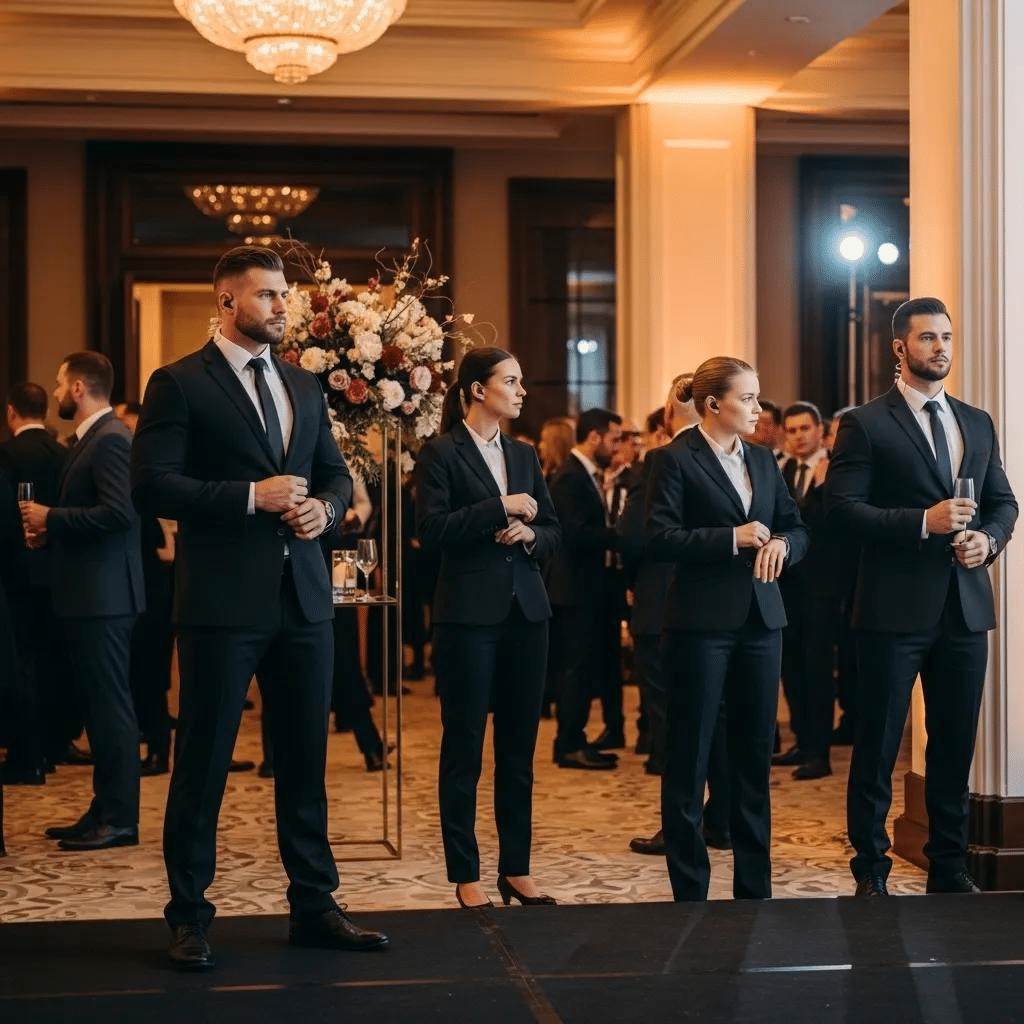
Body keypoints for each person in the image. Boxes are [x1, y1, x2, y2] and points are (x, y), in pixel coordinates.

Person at [131, 245, 388, 970]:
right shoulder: (179, 383)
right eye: (269, 295)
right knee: (204, 761)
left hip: (304, 596)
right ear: (228, 302)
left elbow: (333, 476)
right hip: (221, 602)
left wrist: (324, 511)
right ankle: (188, 916)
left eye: (285, 295)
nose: (283, 306)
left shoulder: (304, 385)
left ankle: (314, 905)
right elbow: (152, 487)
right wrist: (251, 497)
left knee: (306, 759)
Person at [826, 296, 1017, 898]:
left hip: (964, 606)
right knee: (879, 746)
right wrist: (921, 522)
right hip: (892, 608)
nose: (942, 348)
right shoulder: (866, 422)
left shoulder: (976, 421)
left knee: (955, 744)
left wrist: (986, 541)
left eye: (948, 338)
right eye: (929, 338)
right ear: (900, 348)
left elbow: (1004, 504)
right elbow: (841, 511)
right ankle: (872, 872)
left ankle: (949, 868)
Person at [646, 356, 809, 901]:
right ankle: (690, 890)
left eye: (758, 398)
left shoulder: (764, 461)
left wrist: (784, 544)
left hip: (763, 621)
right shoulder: (672, 459)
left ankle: (754, 889)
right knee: (689, 756)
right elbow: (659, 538)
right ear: (713, 403)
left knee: (753, 756)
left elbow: (796, 526)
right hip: (700, 624)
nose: (759, 410)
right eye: (748, 399)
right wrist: (729, 538)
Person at [416, 346, 561, 910]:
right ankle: (466, 873)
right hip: (467, 617)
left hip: (528, 612)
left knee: (520, 750)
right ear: (478, 389)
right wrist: (498, 509)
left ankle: (516, 869)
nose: (522, 391)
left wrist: (531, 535)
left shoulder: (524, 454)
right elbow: (430, 529)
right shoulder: (439, 453)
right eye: (512, 380)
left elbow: (552, 529)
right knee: (465, 747)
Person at [20, 353, 145, 852]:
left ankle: (119, 819)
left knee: (110, 708)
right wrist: (50, 532)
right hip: (92, 593)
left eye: (57, 385)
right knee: (99, 705)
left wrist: (52, 519)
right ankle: (103, 809)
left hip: (106, 596)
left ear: (77, 388)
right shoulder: (93, 438)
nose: (53, 395)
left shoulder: (112, 439)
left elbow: (119, 514)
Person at [546, 408, 625, 768]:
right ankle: (569, 745)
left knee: (583, 667)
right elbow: (574, 534)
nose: (618, 446)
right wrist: (620, 535)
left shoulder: (586, 475)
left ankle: (575, 740)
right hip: (575, 591)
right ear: (594, 438)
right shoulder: (571, 478)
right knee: (574, 669)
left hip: (590, 590)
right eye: (614, 439)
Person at [0, 382, 69, 783]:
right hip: (60, 571)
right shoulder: (64, 453)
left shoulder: (7, 454)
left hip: (18, 573)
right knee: (53, 659)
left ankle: (26, 753)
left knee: (22, 662)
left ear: (11, 413)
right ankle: (54, 745)